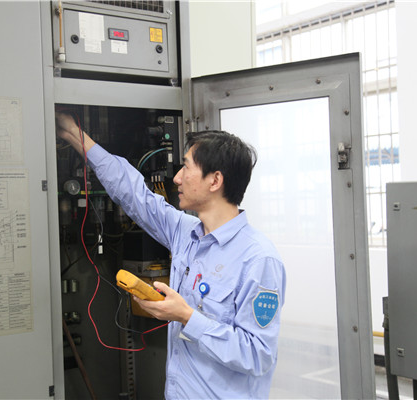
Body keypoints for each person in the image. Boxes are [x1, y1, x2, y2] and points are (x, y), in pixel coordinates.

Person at [56, 112, 286, 399]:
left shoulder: (259, 260)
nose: (176, 178)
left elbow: (258, 355)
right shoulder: (185, 232)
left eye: (186, 167)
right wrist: (73, 133)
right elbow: (133, 193)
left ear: (215, 180)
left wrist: (187, 316)